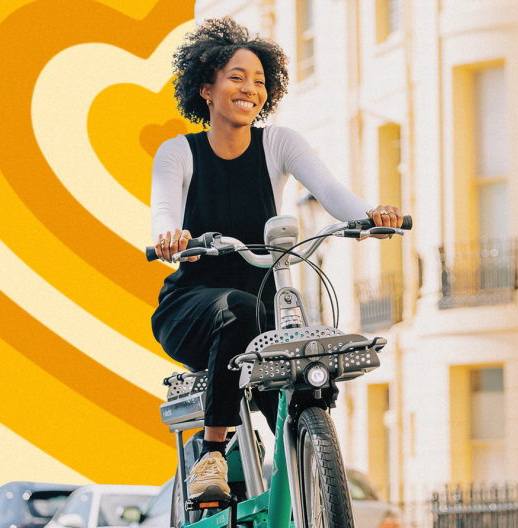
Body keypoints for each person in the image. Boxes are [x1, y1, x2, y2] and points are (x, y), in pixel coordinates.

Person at [151, 17, 402, 503]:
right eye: (237, 77)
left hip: (261, 314)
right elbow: (164, 206)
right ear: (206, 87)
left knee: (300, 373)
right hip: (191, 309)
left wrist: (368, 216)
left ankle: (309, 488)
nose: (251, 89)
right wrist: (169, 236)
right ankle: (213, 456)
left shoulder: (279, 143)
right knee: (241, 312)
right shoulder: (179, 153)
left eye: (260, 81)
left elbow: (328, 190)